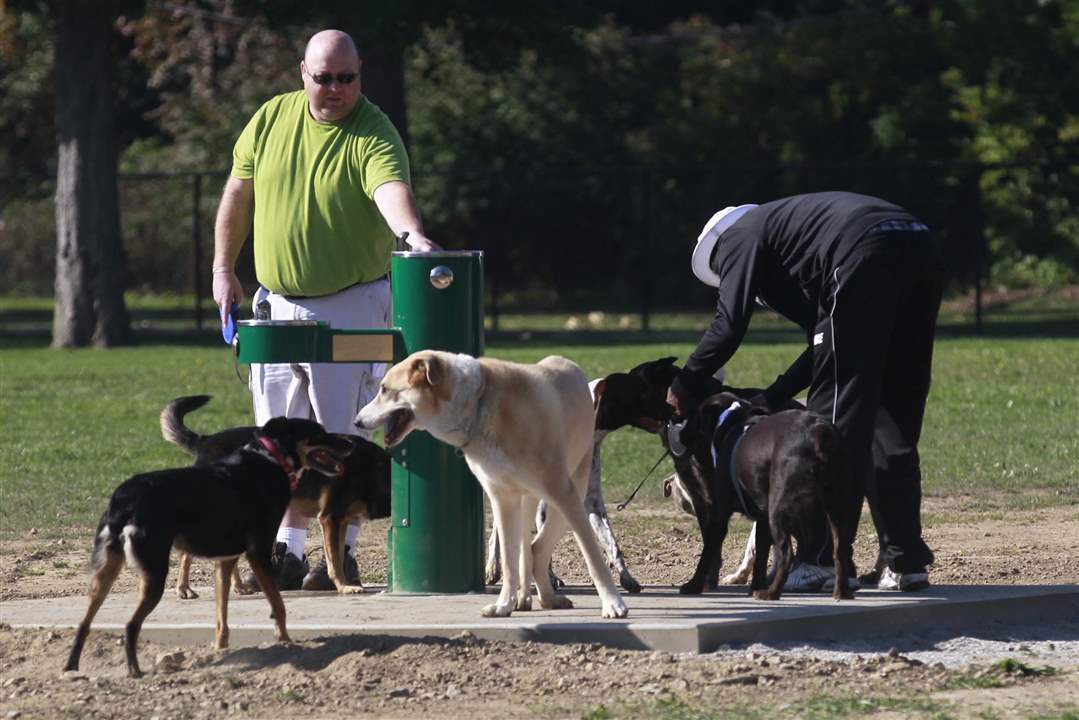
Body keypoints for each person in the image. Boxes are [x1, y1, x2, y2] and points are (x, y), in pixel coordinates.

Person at [211, 29, 438, 591]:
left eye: (347, 77)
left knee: (342, 435)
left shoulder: (373, 129)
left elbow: (389, 187)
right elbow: (238, 195)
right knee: (275, 438)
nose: (335, 89)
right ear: (302, 72)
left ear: (360, 73)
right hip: (277, 304)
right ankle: (284, 552)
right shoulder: (270, 119)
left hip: (351, 302)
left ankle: (344, 553)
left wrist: (412, 235)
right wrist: (223, 269)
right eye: (323, 78)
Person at [666, 192, 942, 592]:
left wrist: (685, 382)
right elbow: (824, 346)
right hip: (920, 245)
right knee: (891, 419)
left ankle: (818, 560)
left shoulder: (739, 236)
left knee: (826, 427)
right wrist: (774, 395)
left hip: (863, 250)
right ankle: (904, 560)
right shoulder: (797, 244)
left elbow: (729, 324)